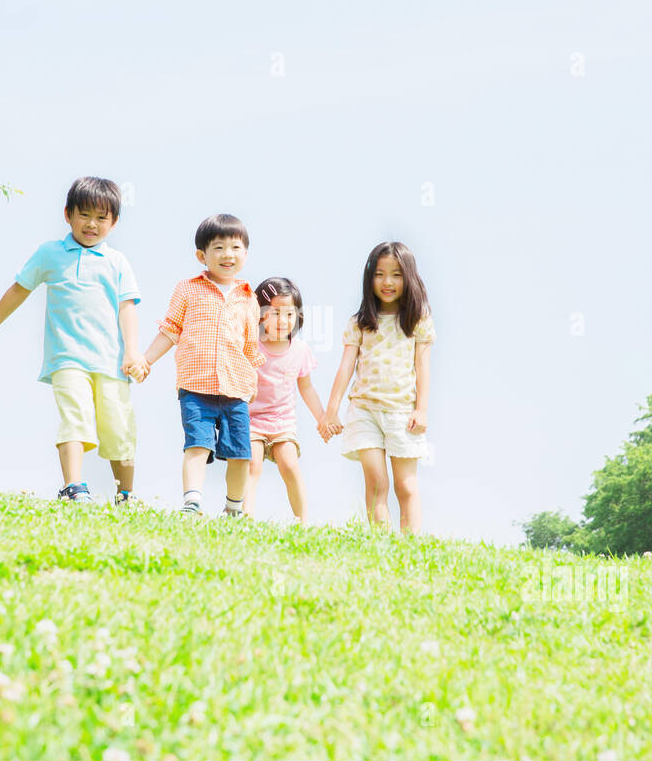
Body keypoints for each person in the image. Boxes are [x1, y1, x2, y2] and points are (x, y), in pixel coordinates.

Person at [0, 177, 147, 505]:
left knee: (118, 427)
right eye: (84, 215)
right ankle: (74, 487)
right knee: (75, 417)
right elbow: (20, 289)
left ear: (114, 222)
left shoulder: (117, 262)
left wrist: (133, 352)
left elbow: (128, 309)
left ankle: (126, 494)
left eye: (101, 218)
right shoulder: (50, 254)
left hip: (111, 361)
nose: (91, 224)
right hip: (67, 358)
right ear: (67, 214)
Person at [143, 214, 265, 518]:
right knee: (197, 445)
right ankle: (192, 501)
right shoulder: (188, 289)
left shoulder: (248, 298)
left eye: (236, 248)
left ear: (246, 254)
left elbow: (251, 348)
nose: (228, 255)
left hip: (236, 387)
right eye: (219, 247)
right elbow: (171, 329)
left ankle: (234, 509)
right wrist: (145, 360)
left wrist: (254, 385)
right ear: (202, 255)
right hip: (196, 386)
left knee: (240, 454)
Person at [320, 241, 434, 533]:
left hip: (402, 413)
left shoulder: (417, 321)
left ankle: (410, 547)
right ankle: (380, 544)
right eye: (380, 274)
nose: (387, 282)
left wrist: (421, 410)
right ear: (369, 277)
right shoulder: (360, 323)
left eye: (396, 274)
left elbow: (422, 367)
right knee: (376, 482)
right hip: (364, 410)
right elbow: (346, 367)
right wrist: (330, 412)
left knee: (405, 485)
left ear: (409, 278)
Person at [243, 277, 323, 524]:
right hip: (251, 420)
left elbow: (307, 389)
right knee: (252, 465)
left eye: (289, 314)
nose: (283, 321)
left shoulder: (300, 350)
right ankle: (243, 518)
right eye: (275, 313)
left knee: (289, 465)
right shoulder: (251, 346)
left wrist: (323, 418)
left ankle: (302, 522)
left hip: (282, 423)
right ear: (260, 315)